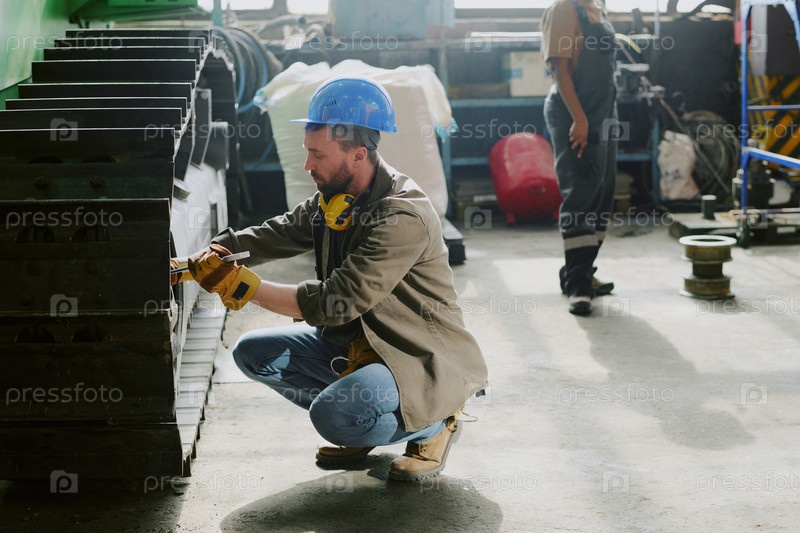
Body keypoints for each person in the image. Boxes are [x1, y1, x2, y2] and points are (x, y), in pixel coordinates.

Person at [172, 77, 488, 482]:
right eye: (308, 151)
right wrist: (217, 250)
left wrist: (242, 286)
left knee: (333, 415)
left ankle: (436, 422)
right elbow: (280, 232)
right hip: (358, 344)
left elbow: (336, 301)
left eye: (317, 154)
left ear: (358, 154)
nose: (307, 165)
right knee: (253, 353)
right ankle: (364, 421)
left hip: (412, 354)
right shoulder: (337, 200)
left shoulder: (401, 216)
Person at [542, 0, 618, 315]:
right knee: (581, 194)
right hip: (574, 115)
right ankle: (578, 286)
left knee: (603, 195)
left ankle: (582, 270)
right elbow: (559, 68)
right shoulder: (563, 9)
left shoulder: (597, 8)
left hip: (605, 115)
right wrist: (580, 119)